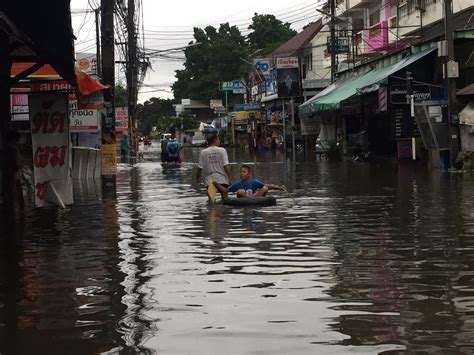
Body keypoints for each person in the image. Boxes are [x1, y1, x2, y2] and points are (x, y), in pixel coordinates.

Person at [196, 133, 231, 201]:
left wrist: (198, 179)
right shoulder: (222, 150)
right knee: (225, 200)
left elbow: (200, 168)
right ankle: (226, 211)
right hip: (222, 179)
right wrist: (230, 178)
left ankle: (211, 211)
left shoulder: (203, 152)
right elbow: (226, 165)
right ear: (215, 140)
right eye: (218, 139)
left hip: (210, 180)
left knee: (211, 201)